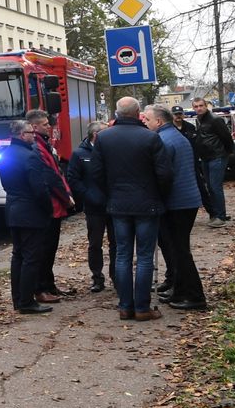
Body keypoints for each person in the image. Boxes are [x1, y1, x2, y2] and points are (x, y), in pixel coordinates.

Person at [90, 96, 174, 322]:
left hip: (118, 204)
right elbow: (164, 174)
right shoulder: (151, 138)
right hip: (147, 203)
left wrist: (111, 194)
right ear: (139, 114)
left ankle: (125, 306)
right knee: (145, 256)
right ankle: (142, 306)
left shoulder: (104, 138)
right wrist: (159, 195)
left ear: (117, 113)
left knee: (123, 255)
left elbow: (96, 173)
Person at [144, 105, 207, 310]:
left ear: (159, 122)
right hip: (186, 200)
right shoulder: (176, 136)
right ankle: (180, 291)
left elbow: (164, 175)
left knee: (179, 251)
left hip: (177, 203)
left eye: (148, 120)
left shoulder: (163, 140)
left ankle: (194, 296)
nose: (145, 123)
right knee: (177, 249)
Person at [0, 119, 53, 314]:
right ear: (22, 135)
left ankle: (18, 299)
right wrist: (48, 209)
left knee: (18, 256)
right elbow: (39, 188)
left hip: (13, 209)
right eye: (31, 132)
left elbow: (6, 183)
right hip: (31, 212)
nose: (34, 135)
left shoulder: (5, 154)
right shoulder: (30, 156)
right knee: (31, 258)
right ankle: (27, 301)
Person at [26, 109, 77, 300]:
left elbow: (56, 173)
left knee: (50, 249)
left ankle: (49, 285)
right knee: (44, 249)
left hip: (54, 205)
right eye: (46, 124)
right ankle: (41, 288)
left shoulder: (44, 145)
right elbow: (50, 176)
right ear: (34, 126)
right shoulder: (37, 148)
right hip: (50, 206)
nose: (50, 127)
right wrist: (66, 197)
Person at [66, 121, 115, 293]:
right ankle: (97, 277)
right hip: (94, 207)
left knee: (116, 243)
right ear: (96, 135)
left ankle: (116, 276)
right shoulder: (80, 154)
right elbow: (73, 178)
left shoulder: (111, 151)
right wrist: (88, 196)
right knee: (95, 244)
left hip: (113, 204)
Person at [191, 98, 235, 226]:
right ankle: (217, 214)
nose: (199, 108)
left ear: (206, 106)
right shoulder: (199, 120)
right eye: (196, 106)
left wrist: (227, 152)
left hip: (217, 156)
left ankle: (220, 217)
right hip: (206, 157)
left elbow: (226, 137)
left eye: (201, 106)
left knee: (215, 187)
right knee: (210, 187)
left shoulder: (215, 119)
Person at [172, 105, 217, 219]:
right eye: (175, 114)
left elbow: (198, 144)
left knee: (201, 188)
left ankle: (213, 213)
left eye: (179, 114)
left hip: (192, 164)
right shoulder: (170, 129)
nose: (178, 116)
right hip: (176, 165)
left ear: (183, 114)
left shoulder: (190, 127)